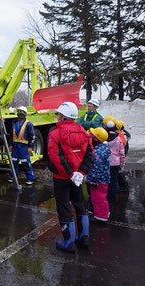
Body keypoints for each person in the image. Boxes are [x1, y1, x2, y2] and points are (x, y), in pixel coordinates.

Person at [48, 101, 94, 253]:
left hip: (62, 177)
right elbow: (90, 155)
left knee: (64, 207)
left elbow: (56, 157)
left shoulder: (55, 133)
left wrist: (71, 173)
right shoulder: (83, 132)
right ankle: (84, 238)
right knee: (80, 205)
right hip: (78, 178)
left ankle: (68, 242)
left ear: (62, 115)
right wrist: (81, 173)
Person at [86, 127, 111, 222]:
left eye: (91, 136)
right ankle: (104, 212)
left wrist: (92, 180)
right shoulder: (102, 148)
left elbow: (96, 168)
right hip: (102, 179)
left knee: (99, 198)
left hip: (97, 180)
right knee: (100, 197)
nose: (89, 137)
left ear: (96, 139)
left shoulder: (97, 153)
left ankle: (101, 217)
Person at [8, 106, 36, 185]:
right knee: (13, 162)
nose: (19, 113)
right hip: (15, 146)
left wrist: (30, 146)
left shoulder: (28, 124)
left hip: (24, 147)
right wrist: (10, 145)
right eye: (18, 111)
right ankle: (13, 177)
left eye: (21, 112)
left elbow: (32, 136)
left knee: (26, 163)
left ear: (25, 114)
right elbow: (11, 135)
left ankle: (30, 179)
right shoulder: (14, 123)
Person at [103, 119, 125, 203]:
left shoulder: (104, 138)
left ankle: (104, 196)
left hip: (106, 163)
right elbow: (121, 152)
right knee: (113, 180)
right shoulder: (118, 138)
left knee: (105, 180)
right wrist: (122, 163)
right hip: (116, 163)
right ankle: (111, 198)